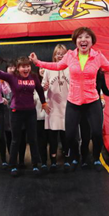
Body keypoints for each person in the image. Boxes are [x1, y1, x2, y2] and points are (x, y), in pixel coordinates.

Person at [30, 27, 109, 172]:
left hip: (92, 101)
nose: (83, 40)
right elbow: (56, 66)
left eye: (87, 37)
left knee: (96, 133)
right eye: (80, 37)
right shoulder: (70, 56)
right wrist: (38, 62)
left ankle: (95, 158)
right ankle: (75, 157)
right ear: (76, 41)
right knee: (70, 135)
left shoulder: (98, 56)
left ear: (92, 41)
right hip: (74, 102)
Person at [0, 56, 49, 176]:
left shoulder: (34, 77)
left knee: (33, 139)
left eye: (28, 66)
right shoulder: (12, 77)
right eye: (23, 67)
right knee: (16, 139)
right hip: (16, 112)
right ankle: (13, 165)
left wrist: (44, 103)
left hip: (30, 112)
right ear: (18, 68)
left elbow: (40, 90)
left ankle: (35, 165)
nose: (26, 69)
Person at [42, 44, 70, 172]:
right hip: (53, 107)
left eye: (63, 53)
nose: (60, 56)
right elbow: (42, 87)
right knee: (52, 136)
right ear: (54, 55)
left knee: (66, 136)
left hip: (67, 107)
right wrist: (45, 87)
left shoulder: (70, 68)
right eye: (58, 53)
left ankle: (67, 159)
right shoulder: (49, 68)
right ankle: (53, 161)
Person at [34, 67, 49, 168]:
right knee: (40, 141)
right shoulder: (35, 84)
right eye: (40, 68)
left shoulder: (53, 83)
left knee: (51, 140)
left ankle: (53, 161)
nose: (42, 70)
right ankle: (42, 162)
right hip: (38, 117)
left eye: (45, 68)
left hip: (51, 118)